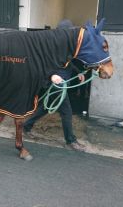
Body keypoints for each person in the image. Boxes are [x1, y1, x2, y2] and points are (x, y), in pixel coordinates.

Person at [23, 20, 87, 152]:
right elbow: (44, 64)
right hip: (56, 84)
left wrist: (79, 72)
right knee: (67, 112)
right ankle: (70, 141)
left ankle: (26, 126)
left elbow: (68, 63)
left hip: (63, 83)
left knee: (45, 108)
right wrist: (52, 76)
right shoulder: (52, 46)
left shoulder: (65, 45)